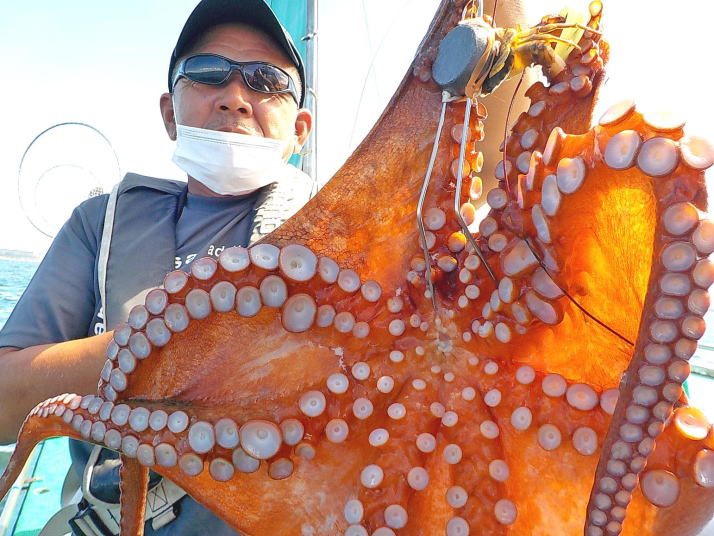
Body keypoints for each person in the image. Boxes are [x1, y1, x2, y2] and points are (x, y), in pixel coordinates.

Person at [0, 0, 313, 533]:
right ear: (169, 113)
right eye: (207, 73)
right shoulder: (100, 223)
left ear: (300, 129)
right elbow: (5, 402)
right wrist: (176, 341)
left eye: (267, 81)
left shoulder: (342, 237)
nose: (235, 99)